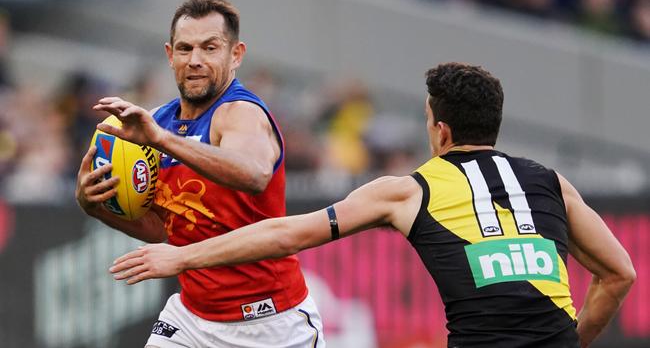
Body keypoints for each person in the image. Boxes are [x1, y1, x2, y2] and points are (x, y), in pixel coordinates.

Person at [110, 62, 636, 348]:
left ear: (440, 129)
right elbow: (619, 274)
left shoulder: (408, 190)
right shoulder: (553, 184)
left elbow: (287, 233)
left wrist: (181, 257)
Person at [75, 0, 324, 348]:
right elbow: (164, 231)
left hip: (269, 321)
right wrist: (93, 205)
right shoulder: (155, 123)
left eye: (210, 48)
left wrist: (161, 140)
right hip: (190, 319)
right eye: (185, 48)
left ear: (235, 54)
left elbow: (254, 174)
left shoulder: (239, 113)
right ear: (169, 55)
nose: (195, 60)